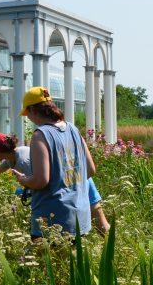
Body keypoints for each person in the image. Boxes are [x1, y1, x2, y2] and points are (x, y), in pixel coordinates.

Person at [0, 127, 111, 235]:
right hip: (71, 179)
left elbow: (44, 181)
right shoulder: (11, 158)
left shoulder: (23, 159)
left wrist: (27, 188)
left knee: (99, 224)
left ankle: (111, 253)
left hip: (78, 181)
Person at [17, 86, 96, 238]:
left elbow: (41, 180)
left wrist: (23, 179)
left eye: (28, 113)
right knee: (74, 262)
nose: (28, 118)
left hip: (52, 219)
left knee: (48, 262)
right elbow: (90, 169)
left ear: (33, 110)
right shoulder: (73, 129)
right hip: (80, 216)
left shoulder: (40, 135)